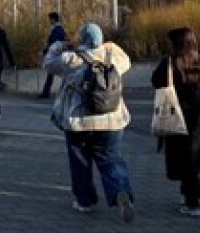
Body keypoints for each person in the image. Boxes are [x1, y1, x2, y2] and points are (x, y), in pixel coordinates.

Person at [44, 21, 135, 222]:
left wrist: (59, 46)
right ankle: (120, 191)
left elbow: (48, 63)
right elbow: (128, 62)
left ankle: (84, 201)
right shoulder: (114, 57)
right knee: (111, 159)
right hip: (112, 119)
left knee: (81, 161)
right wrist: (109, 46)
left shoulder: (71, 59)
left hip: (79, 122)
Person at [152, 26, 200, 217]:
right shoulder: (197, 61)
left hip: (176, 114)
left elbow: (155, 81)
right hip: (197, 115)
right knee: (191, 157)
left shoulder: (170, 63)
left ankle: (193, 202)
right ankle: (188, 195)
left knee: (183, 159)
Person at [39, 11, 67, 99]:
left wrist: (45, 51)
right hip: (59, 53)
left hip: (55, 54)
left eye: (50, 19)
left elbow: (53, 43)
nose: (49, 21)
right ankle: (46, 92)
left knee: (52, 73)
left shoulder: (56, 30)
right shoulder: (60, 29)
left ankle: (46, 92)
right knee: (57, 74)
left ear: (53, 19)